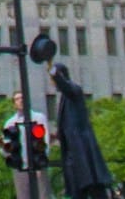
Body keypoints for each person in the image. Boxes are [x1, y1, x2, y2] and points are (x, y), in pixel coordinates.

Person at [46, 62, 115, 199]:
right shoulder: (65, 98)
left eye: (53, 80)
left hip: (82, 150)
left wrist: (51, 68)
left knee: (94, 186)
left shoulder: (74, 90)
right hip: (72, 152)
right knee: (77, 188)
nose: (52, 83)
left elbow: (65, 85)